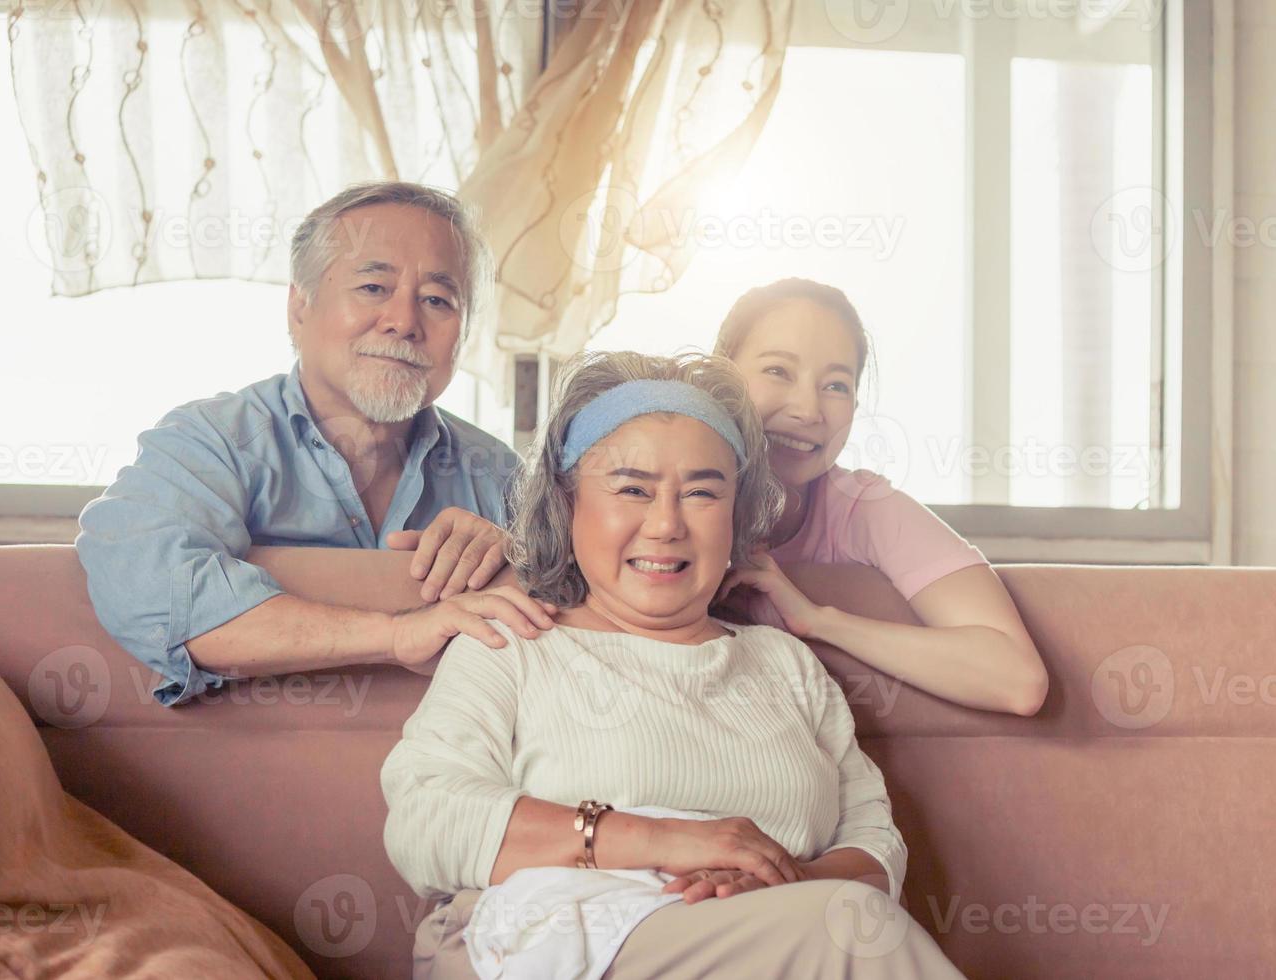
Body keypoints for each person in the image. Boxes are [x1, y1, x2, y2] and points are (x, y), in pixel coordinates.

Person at [381, 351, 966, 978]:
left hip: (778, 944)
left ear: (737, 513)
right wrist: (669, 841)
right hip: (544, 945)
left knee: (850, 920)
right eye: (632, 488)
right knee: (851, 931)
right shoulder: (514, 643)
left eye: (701, 492)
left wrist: (778, 885)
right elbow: (426, 821)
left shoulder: (784, 664)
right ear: (567, 499)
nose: (665, 524)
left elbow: (875, 846)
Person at [75, 181, 556, 706]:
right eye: (374, 287)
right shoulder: (210, 444)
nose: (404, 322)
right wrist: (399, 635)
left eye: (438, 300)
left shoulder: (501, 475)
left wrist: (517, 560)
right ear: (299, 309)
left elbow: (599, 623)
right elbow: (163, 596)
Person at [713, 278, 1049, 716]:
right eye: (778, 371)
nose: (808, 411)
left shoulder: (861, 505)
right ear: (720, 375)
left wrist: (818, 620)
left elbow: (1017, 679)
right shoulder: (664, 490)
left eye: (835, 385)